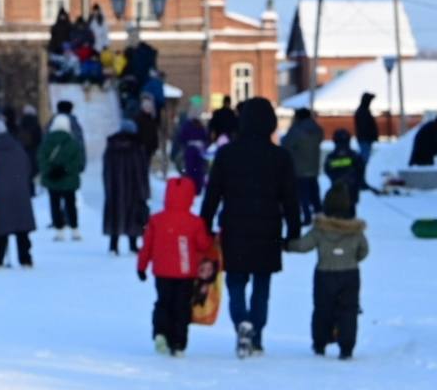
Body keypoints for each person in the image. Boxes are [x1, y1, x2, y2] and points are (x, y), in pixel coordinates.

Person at [200, 97, 300, 358]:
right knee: (261, 285)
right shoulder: (280, 157)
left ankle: (241, 323)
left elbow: (213, 194)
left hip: (234, 227)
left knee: (235, 281)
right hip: (268, 229)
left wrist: (204, 224)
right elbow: (291, 198)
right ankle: (256, 336)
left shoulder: (227, 154)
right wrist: (294, 231)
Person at [286, 183, 369, 359]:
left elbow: (302, 246)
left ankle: (320, 343)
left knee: (322, 309)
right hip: (350, 274)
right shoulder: (355, 230)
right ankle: (346, 347)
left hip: (324, 274)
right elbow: (364, 250)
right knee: (348, 310)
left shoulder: (320, 228)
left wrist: (286, 245)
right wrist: (351, 259)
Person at [136, 177, 213, 357]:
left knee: (163, 302)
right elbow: (203, 245)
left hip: (162, 272)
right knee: (182, 306)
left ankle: (160, 332)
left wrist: (141, 266)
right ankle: (178, 342)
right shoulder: (194, 222)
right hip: (185, 273)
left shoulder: (156, 220)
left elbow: (147, 246)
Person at [0, 118, 36, 268]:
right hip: (21, 193)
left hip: (1, 195)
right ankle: (26, 259)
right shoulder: (18, 147)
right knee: (22, 229)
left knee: (2, 229)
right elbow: (28, 168)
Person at [103, 119, 150, 255]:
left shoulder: (112, 146)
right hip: (133, 188)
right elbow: (141, 171)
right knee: (133, 215)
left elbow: (106, 170)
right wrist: (144, 192)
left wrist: (108, 187)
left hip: (115, 188)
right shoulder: (137, 147)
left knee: (115, 214)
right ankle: (133, 245)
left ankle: (113, 245)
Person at [38, 112, 84, 241]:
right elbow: (77, 161)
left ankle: (59, 230)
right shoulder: (72, 141)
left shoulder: (47, 141)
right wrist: (65, 169)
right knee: (70, 204)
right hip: (69, 179)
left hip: (52, 179)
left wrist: (51, 170)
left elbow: (42, 158)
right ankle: (74, 229)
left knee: (55, 204)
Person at [281, 108, 324, 225]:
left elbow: (286, 144)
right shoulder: (316, 128)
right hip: (313, 166)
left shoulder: (296, 129)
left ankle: (307, 216)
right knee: (314, 191)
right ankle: (319, 214)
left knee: (302, 194)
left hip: (299, 168)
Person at [324, 130, 366, 216]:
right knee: (351, 212)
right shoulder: (354, 155)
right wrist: (359, 181)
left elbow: (328, 170)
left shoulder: (332, 156)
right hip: (352, 189)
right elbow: (361, 169)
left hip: (337, 189)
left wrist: (336, 178)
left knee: (337, 211)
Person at [354, 92, 378, 162]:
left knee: (365, 157)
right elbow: (365, 127)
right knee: (364, 159)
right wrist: (372, 135)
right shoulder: (363, 111)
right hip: (364, 139)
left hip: (365, 139)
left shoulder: (364, 110)